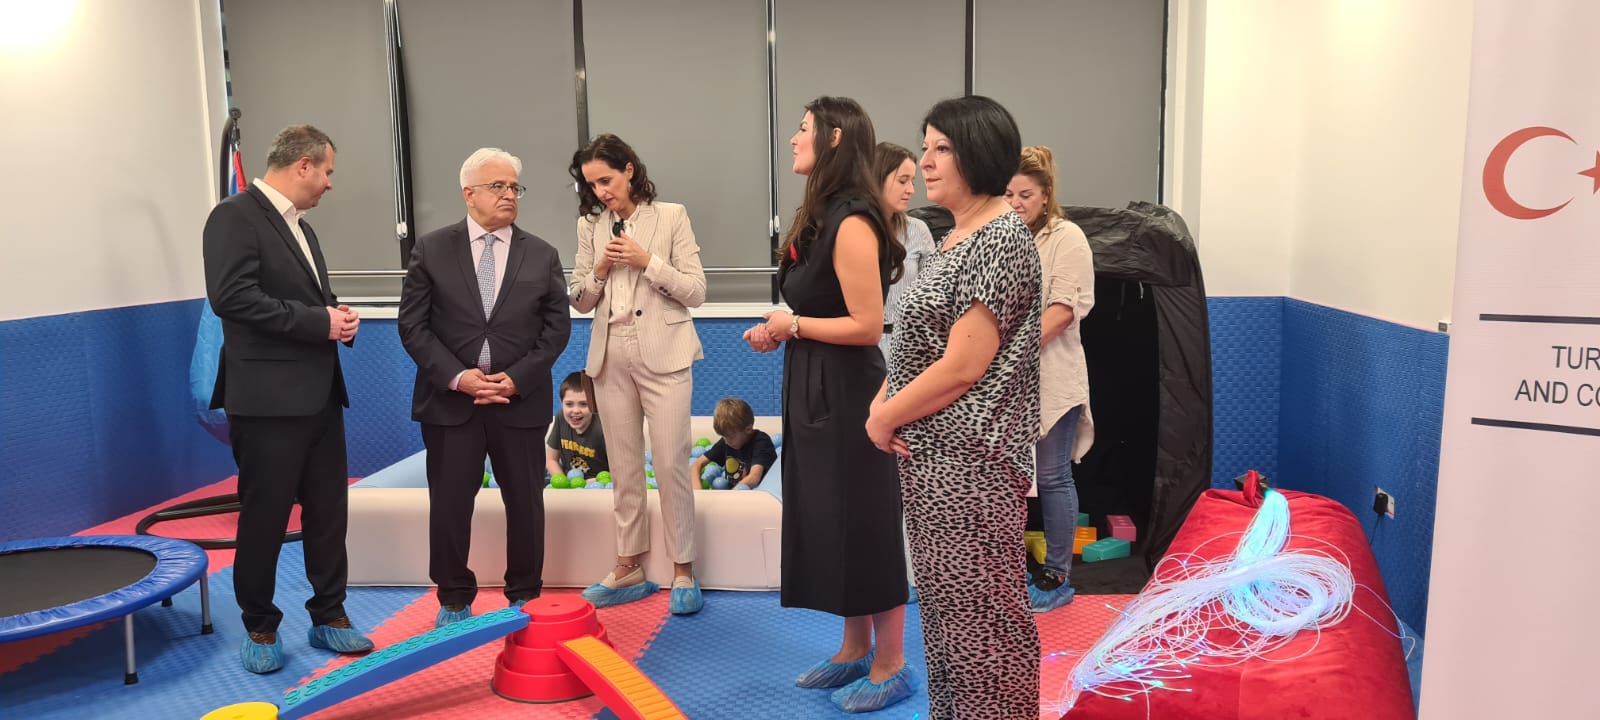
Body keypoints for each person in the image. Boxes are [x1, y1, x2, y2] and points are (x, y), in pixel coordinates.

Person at [866, 95, 1043, 720]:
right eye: (926, 146)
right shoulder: (956, 235)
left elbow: (964, 365)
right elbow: (923, 344)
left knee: (982, 625)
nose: (926, 161)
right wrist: (885, 401)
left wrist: (884, 416)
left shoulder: (1000, 238)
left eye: (942, 148)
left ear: (979, 154)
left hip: (972, 464)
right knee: (947, 621)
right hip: (936, 461)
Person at [744, 96, 912, 714]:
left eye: (803, 129)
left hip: (851, 397)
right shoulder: (821, 216)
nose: (794, 139)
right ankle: (853, 649)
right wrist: (781, 329)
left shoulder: (854, 221)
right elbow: (815, 310)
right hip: (815, 388)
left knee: (864, 523)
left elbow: (867, 325)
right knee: (831, 522)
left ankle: (892, 663)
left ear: (834, 137)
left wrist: (793, 325)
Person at [203, 124, 373, 673]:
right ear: (303, 165)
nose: (329, 183)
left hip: (321, 396)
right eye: (327, 171)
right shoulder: (233, 216)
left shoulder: (302, 226)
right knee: (266, 517)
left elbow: (309, 300)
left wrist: (338, 316)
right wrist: (319, 322)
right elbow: (232, 298)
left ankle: (330, 615)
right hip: (266, 401)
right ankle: (260, 624)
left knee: (328, 514)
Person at [397, 148, 571, 629]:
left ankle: (525, 594)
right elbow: (413, 326)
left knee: (526, 504)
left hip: (520, 402)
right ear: (468, 193)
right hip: (451, 402)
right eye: (498, 186)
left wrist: (517, 379)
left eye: (515, 187)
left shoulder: (543, 254)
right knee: (450, 505)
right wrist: (459, 377)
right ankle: (454, 597)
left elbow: (556, 330)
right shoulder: (432, 249)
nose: (509, 194)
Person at [568, 134, 708, 614]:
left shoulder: (671, 216)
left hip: (664, 352)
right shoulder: (590, 225)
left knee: (670, 462)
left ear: (629, 169)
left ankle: (684, 570)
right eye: (592, 184)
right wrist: (600, 270)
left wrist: (648, 262)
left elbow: (696, 291)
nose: (601, 191)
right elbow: (579, 299)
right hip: (610, 355)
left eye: (606, 180)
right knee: (624, 466)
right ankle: (628, 566)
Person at [1005, 146, 1096, 613]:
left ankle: (1057, 577)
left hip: (1052, 380)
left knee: (1053, 476)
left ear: (1046, 195)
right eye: (1008, 194)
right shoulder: (1001, 239)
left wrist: (1003, 352)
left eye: (1025, 194)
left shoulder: (1067, 238)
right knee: (1007, 479)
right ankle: (1008, 570)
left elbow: (1061, 313)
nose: (1016, 202)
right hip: (1004, 386)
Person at [874, 142, 936, 359]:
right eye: (903, 181)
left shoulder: (918, 230)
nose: (911, 190)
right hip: (863, 348)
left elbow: (933, 296)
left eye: (912, 181)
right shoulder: (853, 230)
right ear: (877, 179)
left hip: (910, 346)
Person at [690, 398, 777, 490]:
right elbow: (696, 464)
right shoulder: (727, 442)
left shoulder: (761, 442)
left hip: (760, 492)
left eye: (731, 437)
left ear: (748, 429)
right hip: (736, 491)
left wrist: (730, 495)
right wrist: (698, 492)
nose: (726, 442)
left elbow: (754, 478)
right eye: (724, 436)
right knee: (718, 483)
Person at [546, 371, 609, 479]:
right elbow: (551, 460)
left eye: (583, 404)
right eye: (569, 404)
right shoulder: (561, 418)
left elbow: (621, 469)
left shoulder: (602, 427)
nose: (575, 411)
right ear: (561, 403)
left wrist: (595, 482)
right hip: (570, 480)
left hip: (600, 482)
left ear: (594, 404)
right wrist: (562, 481)